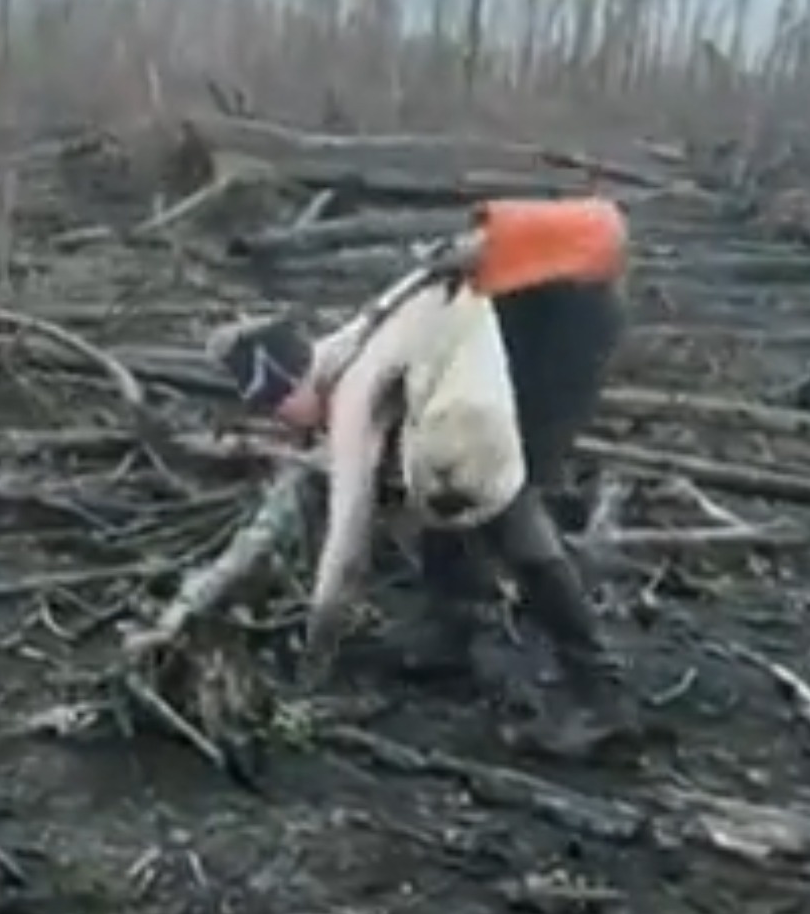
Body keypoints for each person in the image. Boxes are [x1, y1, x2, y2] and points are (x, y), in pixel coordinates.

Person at [210, 197, 634, 753]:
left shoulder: (355, 394)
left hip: (564, 323)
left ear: (292, 387)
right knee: (434, 463)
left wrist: (319, 643)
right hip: (531, 309)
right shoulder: (341, 350)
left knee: (504, 495)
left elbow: (348, 539)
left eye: (274, 410)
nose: (280, 426)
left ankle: (600, 697)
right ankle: (454, 630)